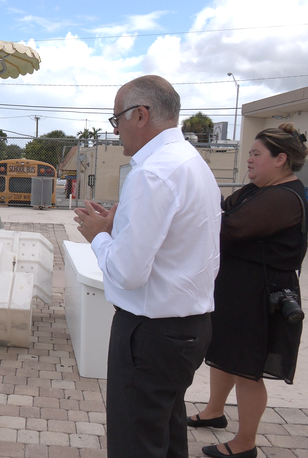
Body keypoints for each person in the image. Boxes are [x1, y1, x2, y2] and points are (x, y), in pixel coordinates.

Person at [73, 75, 221, 458]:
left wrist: (98, 236)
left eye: (116, 119)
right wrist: (115, 229)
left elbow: (128, 272)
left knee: (136, 444)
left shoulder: (152, 173)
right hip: (187, 328)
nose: (115, 130)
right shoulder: (192, 163)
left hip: (150, 334)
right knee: (166, 435)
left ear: (141, 115)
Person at [190, 124, 308, 458]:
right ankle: (214, 410)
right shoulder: (258, 189)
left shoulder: (283, 198)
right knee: (225, 355)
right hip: (237, 289)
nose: (250, 161)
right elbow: (222, 210)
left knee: (247, 369)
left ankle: (245, 444)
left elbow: (226, 227)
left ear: (281, 159)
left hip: (259, 295)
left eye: (257, 154)